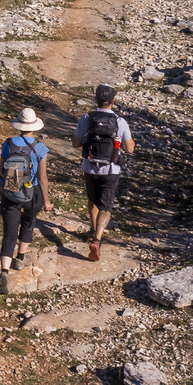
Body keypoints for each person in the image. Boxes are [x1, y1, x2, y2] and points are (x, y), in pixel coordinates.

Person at [0, 107, 52, 295]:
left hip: (11, 190)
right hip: (31, 192)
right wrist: (47, 201)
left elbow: (1, 172)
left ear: (19, 125)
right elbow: (42, 178)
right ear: (34, 127)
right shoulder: (40, 147)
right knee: (28, 222)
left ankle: (4, 272)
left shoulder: (8, 144)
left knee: (9, 233)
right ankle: (20, 258)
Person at [75, 83, 134, 262]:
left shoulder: (86, 118)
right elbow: (129, 149)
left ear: (96, 100)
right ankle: (97, 240)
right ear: (113, 101)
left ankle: (93, 231)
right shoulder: (120, 121)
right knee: (106, 206)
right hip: (111, 169)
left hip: (89, 167)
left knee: (92, 200)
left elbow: (75, 144)